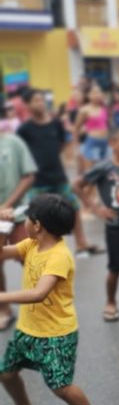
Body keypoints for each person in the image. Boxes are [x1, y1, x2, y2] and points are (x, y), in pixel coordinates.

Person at [0, 194, 107, 405]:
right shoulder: (32, 245)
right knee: (6, 372)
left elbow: (39, 293)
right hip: (28, 329)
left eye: (27, 219)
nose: (24, 223)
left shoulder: (59, 256)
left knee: (61, 387)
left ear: (37, 225)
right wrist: (3, 227)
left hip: (56, 334)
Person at [73, 129, 119, 322]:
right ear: (113, 144)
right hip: (116, 227)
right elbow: (77, 185)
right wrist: (96, 209)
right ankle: (111, 302)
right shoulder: (103, 168)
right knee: (115, 268)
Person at [17, 89, 99, 258]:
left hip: (58, 175)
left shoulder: (55, 123)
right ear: (28, 105)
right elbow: (21, 153)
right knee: (36, 216)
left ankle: (81, 243)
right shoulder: (24, 129)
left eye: (41, 99)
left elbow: (61, 145)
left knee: (73, 207)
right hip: (37, 180)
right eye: (35, 100)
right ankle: (41, 250)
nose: (40, 103)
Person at [0, 126, 36, 331]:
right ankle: (3, 309)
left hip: (18, 214)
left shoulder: (14, 143)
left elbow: (29, 176)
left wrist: (7, 205)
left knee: (31, 259)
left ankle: (42, 305)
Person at [74, 85, 109, 172]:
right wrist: (77, 148)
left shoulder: (104, 108)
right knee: (91, 173)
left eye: (99, 92)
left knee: (104, 172)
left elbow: (106, 126)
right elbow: (76, 129)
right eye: (94, 92)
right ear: (88, 95)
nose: (97, 95)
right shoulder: (84, 110)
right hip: (92, 143)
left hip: (104, 143)